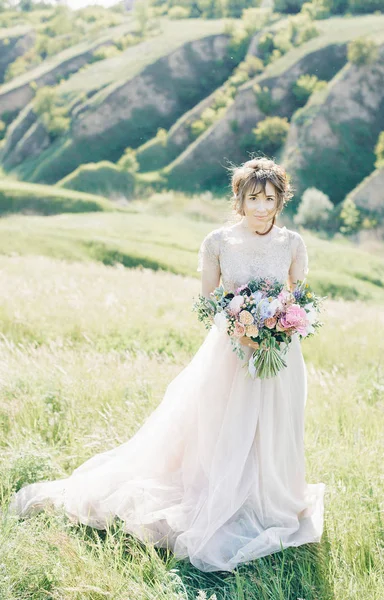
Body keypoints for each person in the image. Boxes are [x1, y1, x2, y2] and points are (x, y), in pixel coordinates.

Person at [9, 157, 325, 573]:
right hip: (230, 352)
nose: (262, 207)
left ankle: (267, 499)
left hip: (279, 355)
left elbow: (298, 301)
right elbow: (210, 303)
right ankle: (219, 497)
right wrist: (241, 329)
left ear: (280, 200)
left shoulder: (292, 243)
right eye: (253, 198)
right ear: (240, 200)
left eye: (269, 199)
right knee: (220, 427)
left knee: (273, 428)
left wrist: (280, 328)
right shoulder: (218, 242)